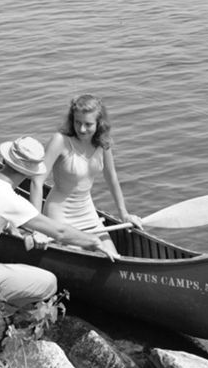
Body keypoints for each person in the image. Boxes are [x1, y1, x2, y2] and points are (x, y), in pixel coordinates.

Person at [0, 136, 114, 337]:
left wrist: (11, 228)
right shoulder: (9, 200)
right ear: (29, 173)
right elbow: (59, 232)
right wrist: (94, 241)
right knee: (49, 282)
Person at [29, 94, 142, 257]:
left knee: (113, 256)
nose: (81, 129)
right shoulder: (60, 141)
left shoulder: (103, 143)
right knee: (88, 257)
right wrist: (37, 227)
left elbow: (112, 178)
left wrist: (124, 214)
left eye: (88, 124)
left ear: (99, 123)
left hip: (87, 212)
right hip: (60, 214)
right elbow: (37, 181)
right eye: (77, 122)